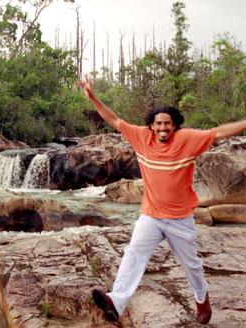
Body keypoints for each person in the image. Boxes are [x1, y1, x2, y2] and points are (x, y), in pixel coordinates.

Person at [76, 75, 246, 325]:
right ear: (151, 126)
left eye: (168, 124)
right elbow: (113, 119)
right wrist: (92, 96)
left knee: (192, 265)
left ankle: (201, 297)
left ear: (174, 125)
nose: (163, 128)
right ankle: (116, 301)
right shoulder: (140, 137)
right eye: (159, 124)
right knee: (134, 253)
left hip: (180, 218)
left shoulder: (188, 139)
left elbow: (219, 132)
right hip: (151, 216)